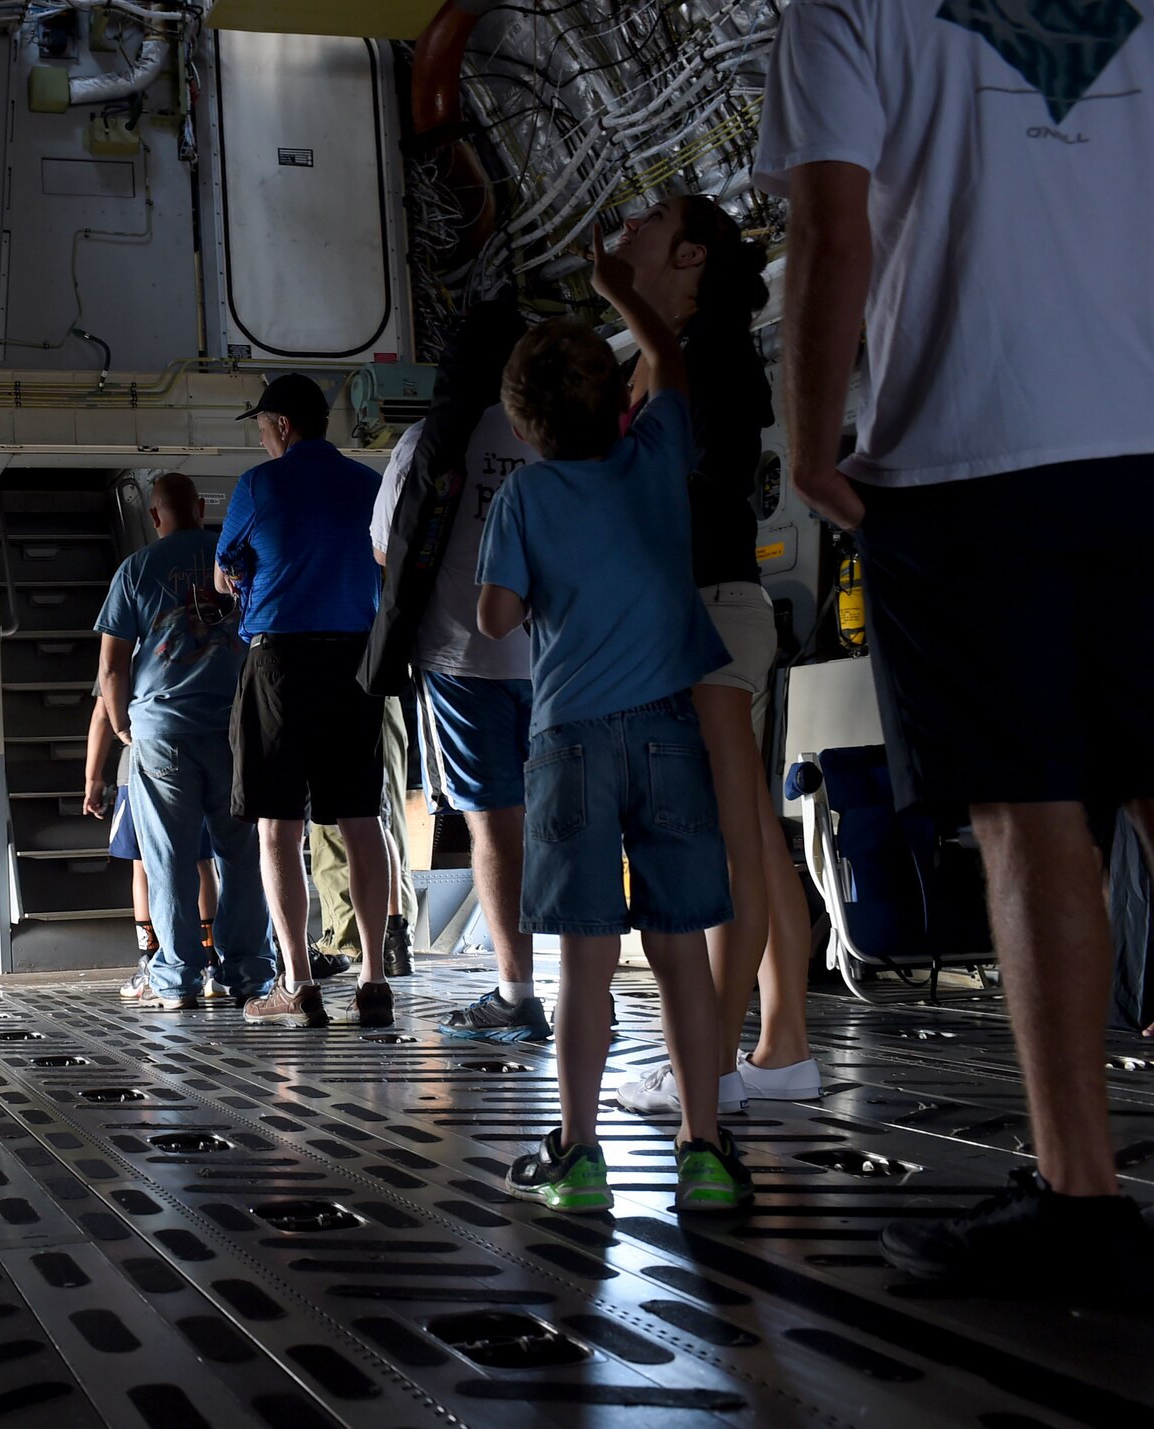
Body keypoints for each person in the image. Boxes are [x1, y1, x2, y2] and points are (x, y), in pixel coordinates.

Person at [757, 1, 1154, 1290]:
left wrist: (808, 443)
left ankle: (1080, 1199)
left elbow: (830, 228)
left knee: (1030, 819)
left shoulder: (844, 9)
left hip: (965, 454)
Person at [478, 226, 750, 1212]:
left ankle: (579, 1153)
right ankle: (703, 1149)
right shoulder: (653, 461)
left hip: (568, 742)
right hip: (666, 730)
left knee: (582, 959)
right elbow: (670, 360)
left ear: (520, 425)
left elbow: (496, 617)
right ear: (618, 404)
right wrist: (616, 291)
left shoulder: (520, 498)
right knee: (679, 946)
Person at [606, 195, 821, 1116]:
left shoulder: (703, 353)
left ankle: (717, 1067)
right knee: (755, 838)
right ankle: (782, 1046)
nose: (631, 226)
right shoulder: (683, 353)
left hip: (707, 607)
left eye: (651, 220)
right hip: (711, 605)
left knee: (734, 839)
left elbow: (684, 465)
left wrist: (622, 300)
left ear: (690, 254)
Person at [217, 373, 394, 1029]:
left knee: (277, 828)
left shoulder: (260, 486)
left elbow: (224, 568)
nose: (262, 439)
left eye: (263, 428)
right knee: (360, 821)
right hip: (356, 662)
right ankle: (374, 979)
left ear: (283, 427)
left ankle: (297, 984)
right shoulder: (369, 484)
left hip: (281, 663)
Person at [372, 397, 549, 1044]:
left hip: (461, 655)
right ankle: (590, 988)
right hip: (550, 653)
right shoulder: (550, 430)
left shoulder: (429, 438)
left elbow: (387, 546)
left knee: (495, 823)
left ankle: (516, 993)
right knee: (561, 817)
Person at [96, 473, 273, 1010]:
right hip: (236, 730)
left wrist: (123, 724)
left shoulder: (135, 570)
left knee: (167, 858)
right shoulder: (241, 563)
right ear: (201, 507)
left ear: (154, 516)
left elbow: (110, 665)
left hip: (162, 732)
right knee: (242, 855)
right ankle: (247, 974)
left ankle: (177, 982)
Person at [82, 696, 222, 998]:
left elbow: (103, 712)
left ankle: (150, 960)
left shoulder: (124, 648)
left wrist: (93, 776)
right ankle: (212, 963)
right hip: (204, 752)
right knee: (202, 860)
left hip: (141, 759)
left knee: (143, 864)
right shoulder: (217, 645)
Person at [309, 699, 419, 977]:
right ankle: (393, 941)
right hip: (377, 693)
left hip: (341, 690)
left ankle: (357, 943)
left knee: (346, 823)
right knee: (377, 819)